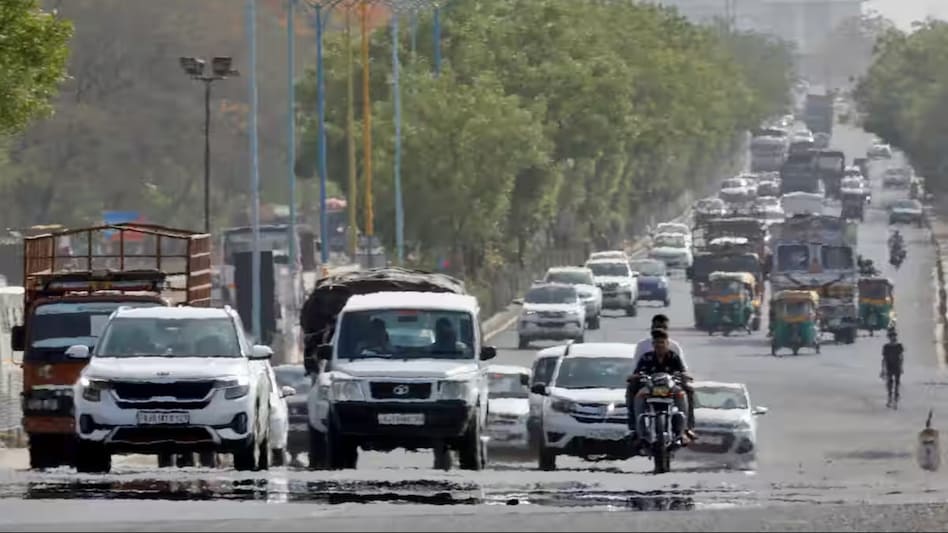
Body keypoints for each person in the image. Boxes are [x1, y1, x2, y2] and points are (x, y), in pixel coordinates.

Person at [627, 329, 695, 442]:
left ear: (667, 343)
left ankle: (685, 429)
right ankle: (635, 429)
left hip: (670, 389)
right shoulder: (646, 357)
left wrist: (684, 376)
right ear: (653, 344)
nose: (659, 346)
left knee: (685, 394)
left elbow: (682, 371)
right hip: (650, 389)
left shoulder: (674, 357)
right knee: (636, 394)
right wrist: (634, 377)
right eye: (656, 343)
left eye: (662, 342)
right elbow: (637, 373)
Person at [881, 330, 904, 408]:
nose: (893, 338)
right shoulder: (886, 347)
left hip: (896, 366)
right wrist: (883, 369)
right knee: (890, 383)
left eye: (893, 336)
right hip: (889, 366)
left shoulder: (898, 346)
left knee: (896, 383)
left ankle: (895, 398)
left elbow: (901, 357)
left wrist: (901, 366)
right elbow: (884, 358)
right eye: (891, 337)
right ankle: (890, 398)